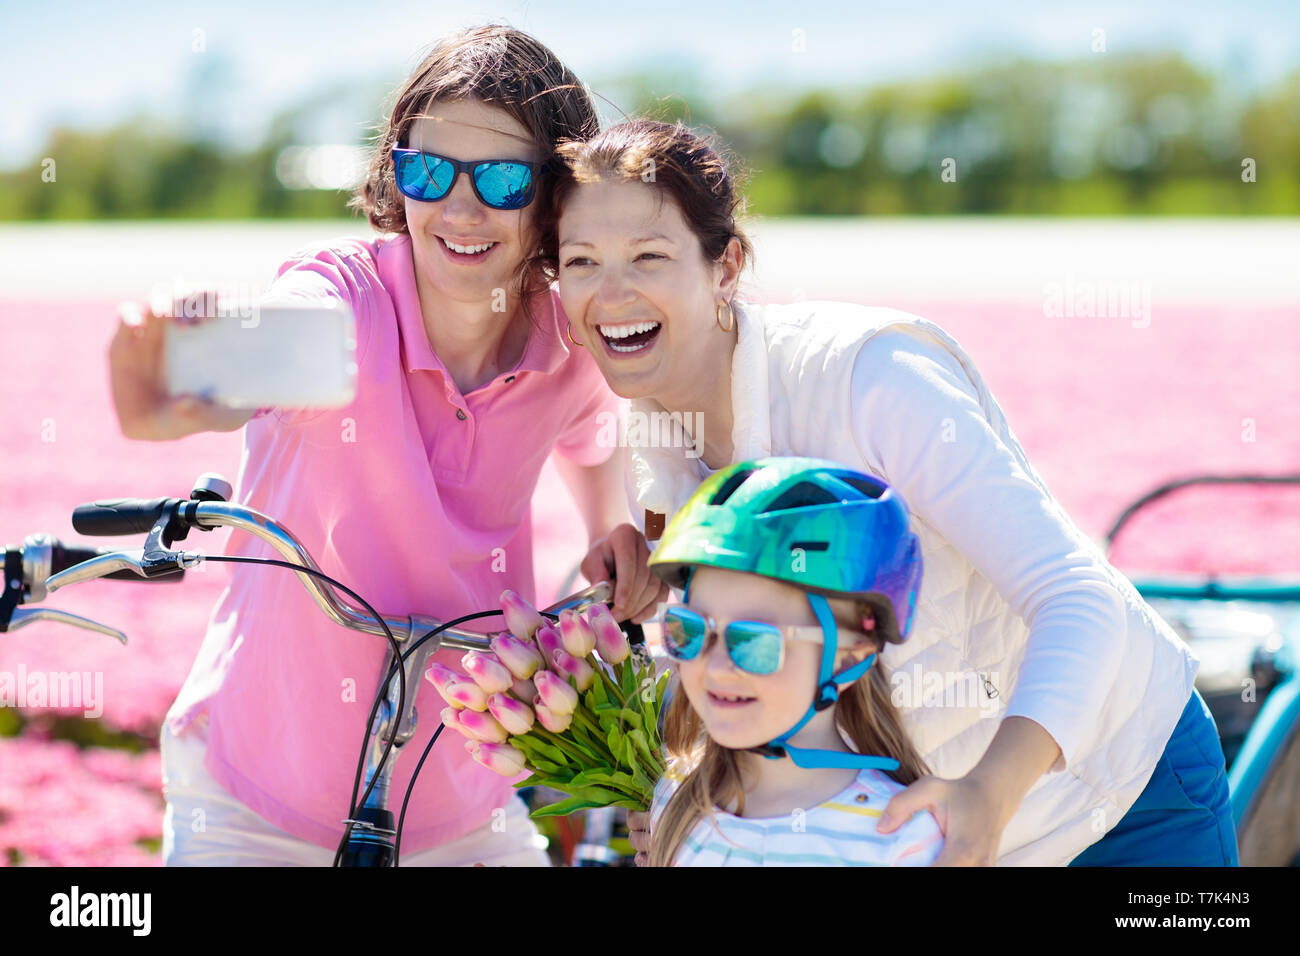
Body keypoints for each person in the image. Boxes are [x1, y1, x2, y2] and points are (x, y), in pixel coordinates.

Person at [546, 118, 1237, 866]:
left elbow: (1078, 596)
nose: (610, 293)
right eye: (581, 261)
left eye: (648, 256)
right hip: (924, 832)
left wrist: (988, 797)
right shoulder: (651, 440)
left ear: (726, 268)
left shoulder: (870, 378)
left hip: (1118, 796)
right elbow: (768, 664)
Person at [107, 26, 665, 866]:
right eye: (428, 171)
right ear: (394, 171)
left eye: (505, 179)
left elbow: (589, 437)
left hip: (465, 781)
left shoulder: (564, 337)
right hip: (257, 785)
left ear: (555, 195)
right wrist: (181, 383)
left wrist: (604, 528)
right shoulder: (346, 302)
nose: (459, 210)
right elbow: (275, 350)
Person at [645, 457, 944, 866]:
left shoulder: (900, 838)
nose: (714, 667)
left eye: (752, 641)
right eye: (690, 629)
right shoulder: (677, 797)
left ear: (848, 659)